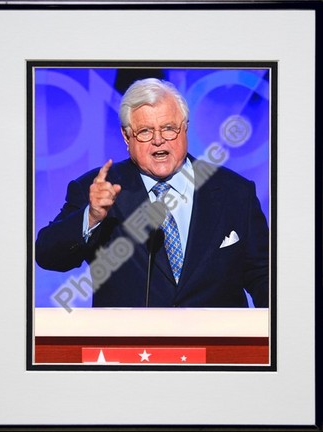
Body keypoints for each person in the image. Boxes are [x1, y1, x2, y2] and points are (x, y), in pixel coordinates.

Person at [36, 78, 269, 308]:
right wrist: (92, 216)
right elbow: (48, 255)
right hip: (131, 343)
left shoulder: (235, 192)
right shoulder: (98, 189)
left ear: (185, 128)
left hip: (218, 343)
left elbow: (263, 276)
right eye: (145, 131)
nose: (158, 140)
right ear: (127, 137)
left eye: (169, 128)